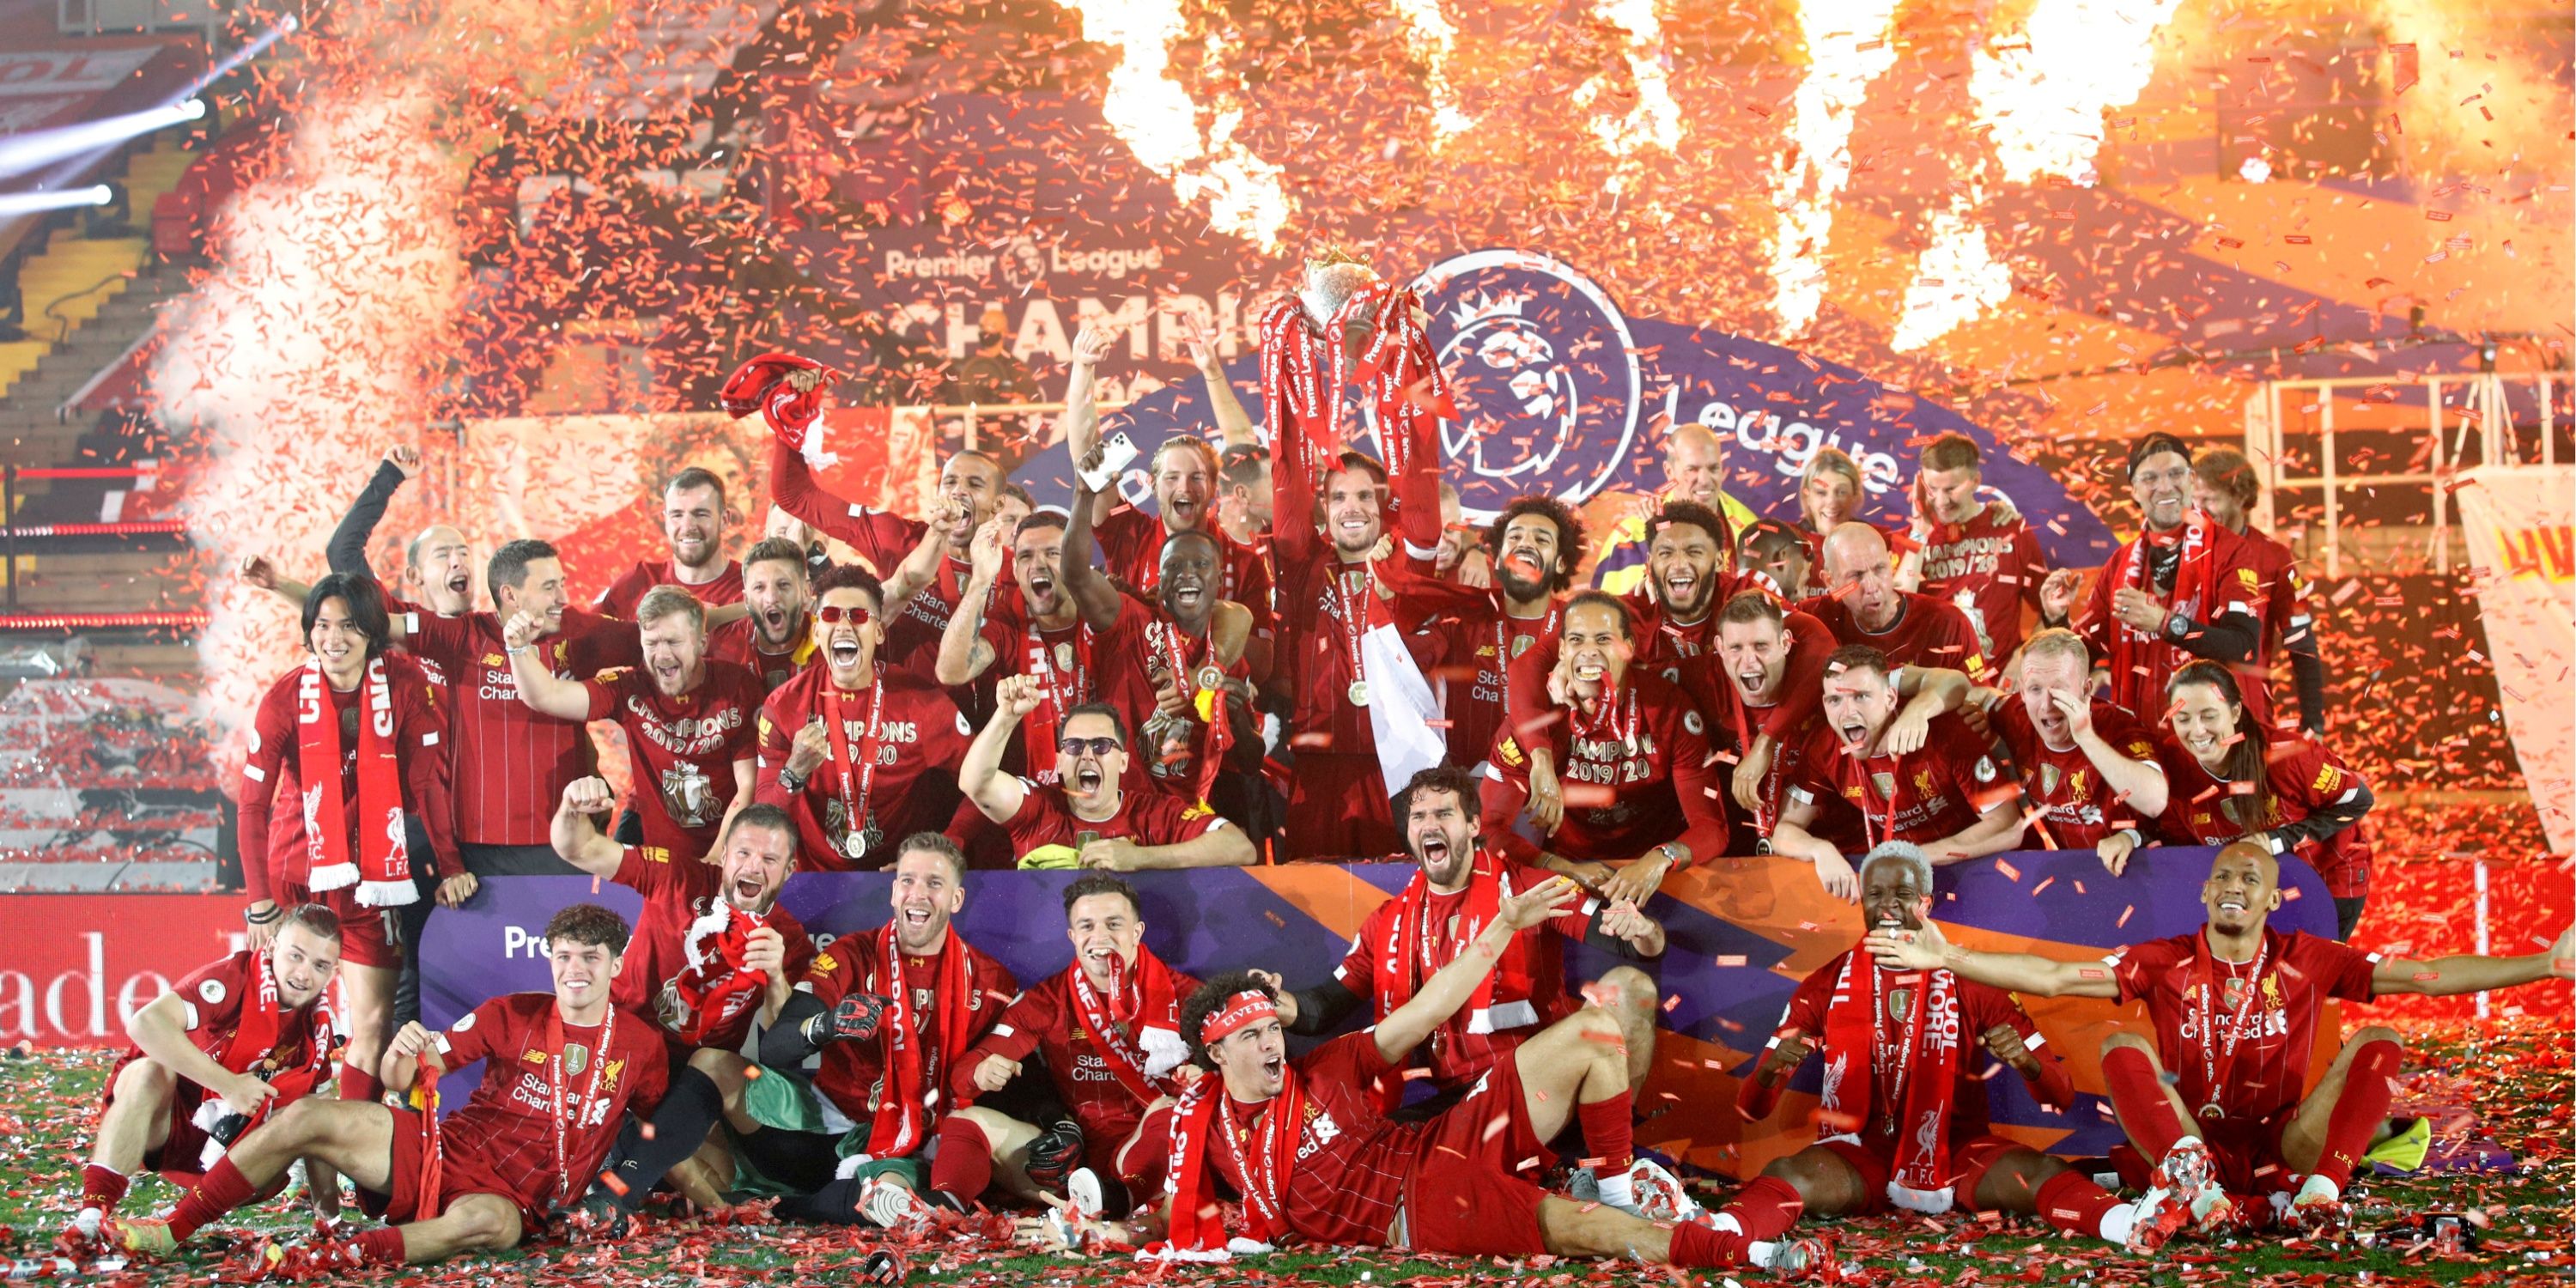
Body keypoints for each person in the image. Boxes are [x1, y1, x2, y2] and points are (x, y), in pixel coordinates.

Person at [1026, 890, 1823, 1274]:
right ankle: (1741, 1253)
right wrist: (1099, 1226)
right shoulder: (1208, 1128)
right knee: (1584, 1236)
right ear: (1215, 1056)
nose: (1273, 1045)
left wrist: (1501, 929)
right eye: (1252, 1038)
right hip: (1420, 1210)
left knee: (1596, 1028)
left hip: (1440, 1144)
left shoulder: (1326, 1065)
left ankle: (1616, 1185)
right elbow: (1170, 1210)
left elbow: (1425, 1007)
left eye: (1273, 1029)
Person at [1867, 841, 2575, 1244]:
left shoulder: (2309, 956)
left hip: (2283, 1146)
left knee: (2382, 1036)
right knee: (2121, 1041)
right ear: (2206, 895)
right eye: (2225, 877)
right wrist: (1950, 958)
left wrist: (2545, 963)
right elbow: (2053, 977)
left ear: (2271, 901)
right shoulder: (2164, 958)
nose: (2234, 886)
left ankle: (2320, 1193)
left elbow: (2425, 976)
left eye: (2251, 879)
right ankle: (2196, 1186)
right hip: (2188, 1143)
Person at [110, 905, 669, 1273]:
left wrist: (663, 1192)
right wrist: (401, 1053)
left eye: (590, 958)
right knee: (307, 1115)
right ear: (549, 959)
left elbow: (656, 1128)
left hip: (512, 1199)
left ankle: (343, 1254)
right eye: (563, 956)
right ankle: (173, 1228)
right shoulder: (510, 1013)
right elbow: (406, 1078)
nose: (575, 970)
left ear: (615, 964)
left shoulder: (641, 1046)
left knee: (491, 1227)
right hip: (442, 1151)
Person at [1741, 844, 2154, 1249]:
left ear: (1924, 903)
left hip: (1957, 1152)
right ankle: (1722, 1234)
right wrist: (1768, 1072)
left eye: (1901, 895)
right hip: (1854, 1154)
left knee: (2041, 1172)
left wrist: (2028, 1064)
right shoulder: (1825, 983)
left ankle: (2129, 1225)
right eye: (1876, 894)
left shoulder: (1973, 976)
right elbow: (1752, 1108)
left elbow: (2060, 1094)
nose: (1887, 907)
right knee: (1788, 1174)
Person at [1278, 766, 1664, 1108]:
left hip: (1536, 1080)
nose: (1430, 825)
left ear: (1474, 825)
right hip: (1458, 1099)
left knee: (1631, 986)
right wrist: (1276, 1005)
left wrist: (1644, 932)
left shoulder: (1529, 887)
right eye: (1418, 817)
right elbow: (1321, 1008)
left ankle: (1609, 1153)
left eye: (1444, 814)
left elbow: (1631, 945)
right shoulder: (1390, 921)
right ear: (1410, 832)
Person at [236, 575, 465, 1109]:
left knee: (374, 1025)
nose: (333, 638)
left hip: (374, 880)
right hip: (295, 876)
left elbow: (428, 785)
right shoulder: (285, 696)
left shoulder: (406, 685)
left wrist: (451, 866)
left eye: (348, 625)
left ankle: (347, 1149)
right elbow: (251, 804)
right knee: (281, 1023)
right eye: (322, 625)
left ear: (371, 632)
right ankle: (275, 1138)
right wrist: (258, 901)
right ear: (308, 631)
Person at [732, 835, 1018, 1226]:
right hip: (831, 1128)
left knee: (888, 1192)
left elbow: (1021, 1075)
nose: (918, 895)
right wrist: (826, 1025)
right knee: (716, 1070)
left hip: (926, 1137)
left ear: (956, 899)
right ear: (893, 892)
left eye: (934, 884)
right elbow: (776, 1049)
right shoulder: (851, 955)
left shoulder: (991, 979)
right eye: (907, 881)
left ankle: (804, 1204)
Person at [67, 905, 345, 1251]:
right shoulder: (233, 978)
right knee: (147, 1072)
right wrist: (230, 1086)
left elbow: (317, 1128)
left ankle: (172, 1223)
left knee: (301, 1119)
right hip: (172, 1123)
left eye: (319, 966)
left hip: (237, 1157)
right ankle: (91, 1217)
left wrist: (329, 1219)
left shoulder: (318, 1031)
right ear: (272, 948)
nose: (304, 974)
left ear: (333, 973)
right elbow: (145, 1024)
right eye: (296, 956)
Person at [942, 874, 1202, 1218]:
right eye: (1087, 926)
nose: (1100, 937)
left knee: (1175, 1112)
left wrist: (1207, 1075)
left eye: (1114, 924)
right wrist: (981, 1071)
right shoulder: (1047, 1001)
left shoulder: (1186, 995)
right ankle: (941, 1208)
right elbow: (961, 1077)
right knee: (966, 1119)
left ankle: (1118, 1197)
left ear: (1137, 932)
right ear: (1072, 936)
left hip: (1149, 1156)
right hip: (1069, 1161)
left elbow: (1240, 1067)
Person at [398, 538, 641, 877]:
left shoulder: (579, 633)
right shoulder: (463, 637)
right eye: (548, 588)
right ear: (510, 595)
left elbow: (661, 637)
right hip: (482, 848)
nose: (563, 598)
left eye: (562, 584)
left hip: (567, 842)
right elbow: (365, 624)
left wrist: (741, 613)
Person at [1064, 320, 1277, 681]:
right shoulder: (1128, 533)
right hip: (1139, 711)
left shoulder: (1243, 561)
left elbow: (1264, 666)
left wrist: (1207, 613)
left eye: (1197, 478)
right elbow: (1089, 464)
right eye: (1173, 478)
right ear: (1151, 485)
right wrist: (1083, 370)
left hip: (1211, 721)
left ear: (1214, 488)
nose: (1185, 488)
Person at [1484, 592, 1728, 905]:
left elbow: (1712, 828)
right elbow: (1487, 830)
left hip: (1663, 876)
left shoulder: (1668, 708)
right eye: (1576, 640)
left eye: (1603, 639)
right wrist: (1560, 867)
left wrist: (1660, 860)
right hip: (1572, 874)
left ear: (1628, 648)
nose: (1589, 652)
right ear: (1561, 651)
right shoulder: (1533, 721)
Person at [1060, 451, 1262, 825]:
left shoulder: (1227, 651)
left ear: (1219, 582)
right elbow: (1074, 575)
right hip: (1129, 810)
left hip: (1198, 814)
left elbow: (1250, 760)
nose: (1187, 574)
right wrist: (1082, 496)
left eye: (1201, 565)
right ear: (1158, 579)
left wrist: (1233, 715)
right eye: (1173, 566)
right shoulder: (1130, 620)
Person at [764, 369, 1012, 672]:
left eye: (974, 484)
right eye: (949, 483)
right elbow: (794, 495)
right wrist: (791, 413)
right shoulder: (897, 538)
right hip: (899, 716)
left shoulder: (1016, 569)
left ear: (999, 503)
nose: (958, 491)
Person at [509, 586, 762, 864]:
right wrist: (517, 649)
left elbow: (748, 785)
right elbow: (547, 696)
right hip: (661, 864)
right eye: (652, 643)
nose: (662, 655)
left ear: (702, 644)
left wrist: (715, 860)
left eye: (673, 642)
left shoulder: (736, 685)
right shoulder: (629, 688)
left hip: (731, 856)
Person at [549, 781, 810, 1047]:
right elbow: (578, 849)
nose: (753, 866)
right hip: (623, 1040)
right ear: (724, 855)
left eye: (769, 859)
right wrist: (571, 808)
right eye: (743, 853)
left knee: (717, 1062)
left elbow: (785, 1042)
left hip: (700, 1065)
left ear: (789, 870)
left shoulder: (787, 939)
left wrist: (776, 978)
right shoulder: (676, 876)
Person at [2040, 432, 2269, 726]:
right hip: (2142, 745)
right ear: (2134, 491)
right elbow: (2081, 658)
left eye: (2175, 473)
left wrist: (2166, 624)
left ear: (2192, 480)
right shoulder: (2119, 564)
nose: (2164, 486)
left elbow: (2244, 648)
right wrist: (2056, 618)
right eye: (2150, 478)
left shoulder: (2231, 551)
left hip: (2214, 745)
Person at [754, 565, 975, 871]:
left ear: (880, 631)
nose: (844, 626)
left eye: (858, 616)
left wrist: (946, 847)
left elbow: (983, 782)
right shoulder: (784, 705)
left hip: (899, 880)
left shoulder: (922, 703)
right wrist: (795, 771)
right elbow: (763, 822)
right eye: (831, 615)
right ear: (817, 631)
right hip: (812, 877)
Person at [2147, 661, 2376, 939]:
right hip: (2255, 890)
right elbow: (2173, 835)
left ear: (2235, 711)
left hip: (2328, 877)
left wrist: (2276, 841)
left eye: (2209, 716)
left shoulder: (2291, 756)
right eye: (2183, 719)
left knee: (2308, 977)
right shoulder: (2170, 761)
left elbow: (2359, 800)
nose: (2197, 731)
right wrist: (2132, 839)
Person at [1771, 646, 2020, 890]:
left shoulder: (1946, 731)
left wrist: (1917, 856)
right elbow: (1783, 832)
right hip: (1907, 881)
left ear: (1890, 698)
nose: (1848, 712)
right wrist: (1819, 850)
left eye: (1861, 697)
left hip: (1984, 871)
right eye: (1835, 700)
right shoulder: (1823, 749)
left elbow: (2008, 826)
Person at [1371, 495, 1584, 775]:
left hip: (1550, 795)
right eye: (1515, 537)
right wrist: (1385, 599)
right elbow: (1401, 663)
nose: (1526, 544)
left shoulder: (1579, 625)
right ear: (1496, 560)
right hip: (1470, 794)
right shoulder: (1462, 617)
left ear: (1560, 562)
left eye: (1542, 540)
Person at [960, 679, 1254, 870]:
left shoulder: (1154, 813)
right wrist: (1006, 717)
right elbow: (975, 783)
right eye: (1074, 746)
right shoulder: (1039, 808)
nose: (1087, 755)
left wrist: (1140, 859)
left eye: (1101, 745)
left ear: (1123, 762)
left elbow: (1239, 847)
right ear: (1060, 762)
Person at [1994, 629, 2169, 866]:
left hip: (2142, 865)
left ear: (2086, 690)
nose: (2047, 704)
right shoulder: (2013, 716)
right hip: (2073, 870)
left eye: (2059, 688)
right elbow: (1964, 689)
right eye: (2035, 689)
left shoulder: (2118, 726)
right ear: (2022, 692)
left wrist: (2086, 737)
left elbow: (2155, 802)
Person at [2191, 447, 2327, 735]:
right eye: (2195, 500)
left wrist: (2313, 720)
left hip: (2248, 715)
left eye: (2211, 499)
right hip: (2185, 715)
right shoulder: (2177, 553)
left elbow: (2302, 644)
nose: (2200, 510)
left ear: (2240, 497)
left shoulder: (2275, 557)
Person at [1893, 433, 2049, 664]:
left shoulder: (2011, 529)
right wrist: (1920, 532)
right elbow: (1897, 612)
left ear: (1976, 481)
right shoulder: (1908, 541)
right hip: (1936, 686)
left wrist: (2025, 660)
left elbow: (2050, 610)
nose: (1941, 501)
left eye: (1951, 489)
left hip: (1997, 689)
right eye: (1933, 488)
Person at [1806, 521, 1989, 681]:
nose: (1871, 586)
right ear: (1830, 582)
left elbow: (1977, 699)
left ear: (1891, 563)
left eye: (1880, 569)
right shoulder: (1815, 618)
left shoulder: (1946, 621)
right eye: (1856, 576)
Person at [1589, 422, 1759, 594]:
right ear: (1669, 471)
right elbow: (1611, 614)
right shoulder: (1630, 536)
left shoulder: (1752, 530)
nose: (1705, 479)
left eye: (1713, 468)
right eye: (1692, 469)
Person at [594, 467, 744, 618]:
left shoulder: (751, 589)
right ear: (665, 520)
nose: (688, 526)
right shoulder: (639, 583)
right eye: (677, 515)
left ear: (725, 520)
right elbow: (582, 633)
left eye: (700, 514)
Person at [708, 537, 813, 693]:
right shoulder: (722, 648)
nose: (771, 598)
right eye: (759, 587)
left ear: (806, 592)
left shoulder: (828, 645)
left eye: (783, 585)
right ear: (746, 599)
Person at [1792, 448, 1867, 557]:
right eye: (1821, 492)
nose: (1832, 503)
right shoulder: (1785, 544)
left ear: (1855, 495)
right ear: (1807, 496)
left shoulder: (1879, 543)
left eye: (1842, 492)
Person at [1738, 518, 1820, 601]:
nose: (1802, 595)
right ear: (1782, 558)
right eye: (1799, 586)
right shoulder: (1779, 609)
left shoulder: (1726, 595)